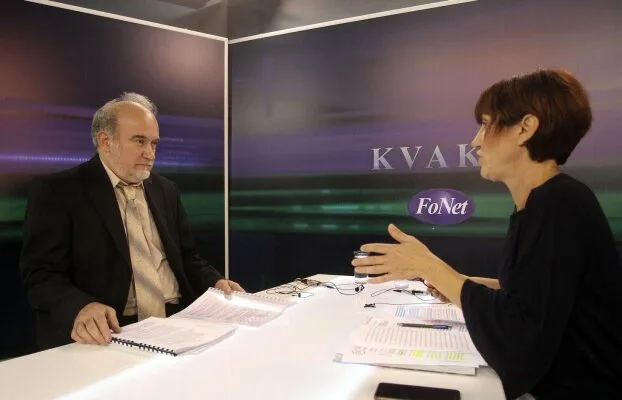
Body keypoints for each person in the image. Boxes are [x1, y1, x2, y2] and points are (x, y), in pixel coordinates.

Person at [352, 69, 622, 399]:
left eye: (485, 124)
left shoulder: (559, 205)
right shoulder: (545, 202)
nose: (476, 141)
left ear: (525, 128)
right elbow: (536, 295)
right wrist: (456, 282)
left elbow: (522, 338)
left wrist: (430, 267)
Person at [20, 93, 244, 350]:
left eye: (154, 143)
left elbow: (187, 256)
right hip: (111, 330)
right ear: (106, 141)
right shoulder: (59, 191)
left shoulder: (166, 190)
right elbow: (40, 274)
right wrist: (81, 307)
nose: (150, 153)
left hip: (179, 319)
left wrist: (215, 282)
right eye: (139, 141)